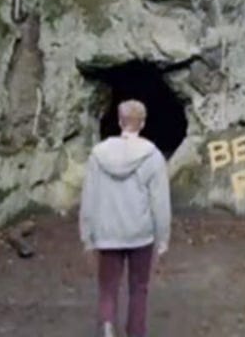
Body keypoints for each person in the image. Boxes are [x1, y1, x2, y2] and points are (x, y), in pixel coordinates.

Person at [79, 99, 172, 337]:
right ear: (143, 123)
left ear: (120, 121)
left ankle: (108, 327)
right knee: (139, 288)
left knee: (108, 288)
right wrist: (162, 238)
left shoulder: (98, 154)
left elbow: (89, 197)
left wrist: (87, 235)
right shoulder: (152, 156)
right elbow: (160, 202)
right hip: (140, 233)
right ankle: (136, 332)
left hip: (107, 232)